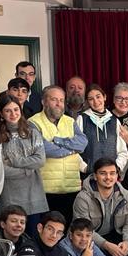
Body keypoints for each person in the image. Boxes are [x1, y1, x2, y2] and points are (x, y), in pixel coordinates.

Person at [72, 157, 128, 256]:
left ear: (117, 176)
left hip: (114, 233)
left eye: (112, 173)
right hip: (92, 237)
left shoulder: (125, 194)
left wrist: (127, 242)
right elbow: (84, 230)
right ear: (95, 176)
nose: (108, 177)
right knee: (87, 246)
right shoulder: (83, 198)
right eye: (103, 173)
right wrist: (106, 245)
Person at [28, 84, 87, 224]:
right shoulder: (32, 122)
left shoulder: (70, 121)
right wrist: (72, 150)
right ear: (43, 101)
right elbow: (44, 149)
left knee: (68, 232)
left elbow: (83, 143)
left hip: (71, 188)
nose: (58, 104)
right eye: (54, 99)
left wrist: (58, 141)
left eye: (61, 100)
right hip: (46, 190)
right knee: (47, 231)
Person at [0, 94, 48, 233]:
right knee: (11, 239)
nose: (13, 114)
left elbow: (40, 160)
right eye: (8, 110)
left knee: (32, 239)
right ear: (1, 113)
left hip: (33, 195)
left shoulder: (33, 132)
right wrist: (27, 170)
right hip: (9, 196)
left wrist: (14, 161)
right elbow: (0, 169)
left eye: (16, 109)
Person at [78, 83, 128, 177]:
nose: (96, 101)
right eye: (91, 99)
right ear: (87, 101)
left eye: (98, 97)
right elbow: (75, 149)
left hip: (110, 177)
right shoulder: (82, 119)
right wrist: (84, 167)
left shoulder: (114, 121)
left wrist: (116, 168)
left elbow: (122, 151)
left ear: (104, 97)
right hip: (89, 175)